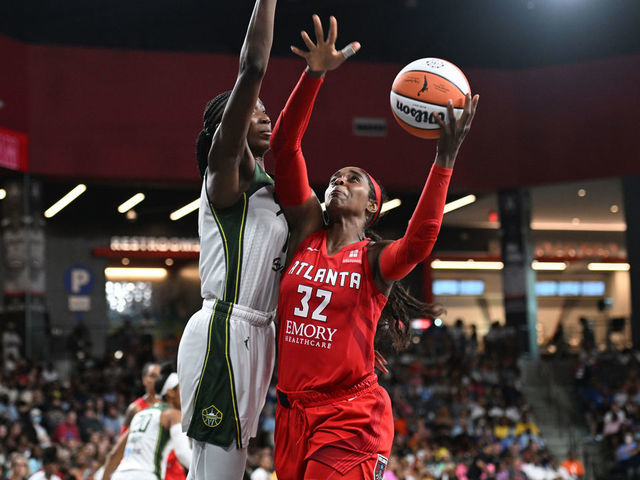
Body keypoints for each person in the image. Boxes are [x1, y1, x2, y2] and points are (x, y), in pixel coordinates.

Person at [269, 14, 478, 479]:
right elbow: (285, 147)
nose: (340, 180)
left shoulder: (372, 260)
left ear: (372, 208)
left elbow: (420, 241)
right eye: (337, 176)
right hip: (290, 414)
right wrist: (313, 75)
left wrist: (444, 159)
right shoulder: (307, 232)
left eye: (355, 179)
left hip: (350, 417)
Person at [176, 0, 287, 478]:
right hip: (225, 329)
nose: (265, 115)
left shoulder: (271, 193)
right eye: (254, 109)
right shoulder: (223, 179)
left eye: (266, 109)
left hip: (257, 336)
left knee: (221, 469)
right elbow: (254, 65)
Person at [106, 365, 191, 480]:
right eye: (183, 389)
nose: (187, 395)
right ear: (170, 392)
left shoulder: (140, 415)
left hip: (120, 475)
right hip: (146, 475)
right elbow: (183, 453)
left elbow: (113, 455)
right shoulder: (172, 414)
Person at [102, 363, 165, 479]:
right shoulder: (136, 408)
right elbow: (123, 446)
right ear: (144, 380)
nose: (157, 380)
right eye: (152, 376)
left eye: (159, 376)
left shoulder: (169, 407)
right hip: (143, 467)